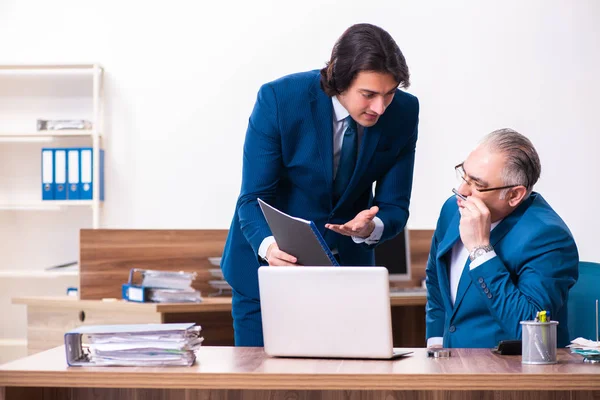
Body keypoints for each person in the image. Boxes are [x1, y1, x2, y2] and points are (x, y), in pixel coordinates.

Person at [221, 23, 420, 346]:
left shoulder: (404, 112)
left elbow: (395, 206)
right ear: (339, 80)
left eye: (389, 93)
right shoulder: (280, 99)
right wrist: (270, 249)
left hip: (346, 275)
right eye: (368, 95)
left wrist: (371, 228)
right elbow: (252, 199)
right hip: (267, 269)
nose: (380, 108)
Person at [425, 128, 578, 348]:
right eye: (464, 175)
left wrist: (481, 250)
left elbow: (530, 330)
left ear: (515, 195)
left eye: (478, 185)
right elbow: (435, 277)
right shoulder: (453, 208)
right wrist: (436, 341)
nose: (461, 190)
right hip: (448, 364)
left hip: (509, 372)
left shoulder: (549, 238)